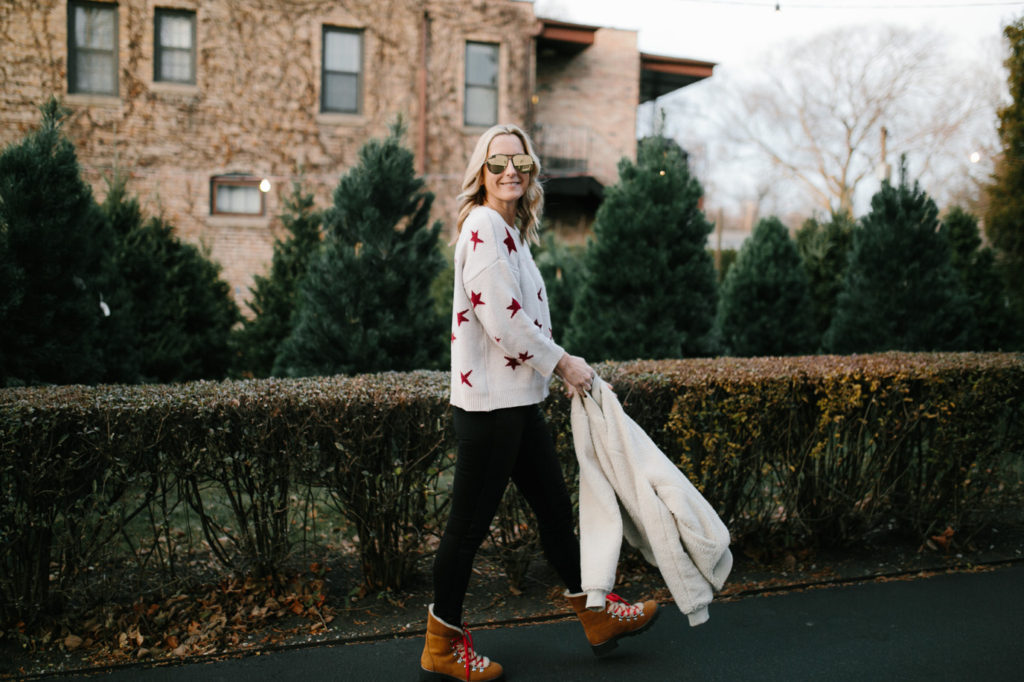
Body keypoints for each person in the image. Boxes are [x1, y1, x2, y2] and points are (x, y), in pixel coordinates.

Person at [420, 124, 659, 682]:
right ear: (481, 170)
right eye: (498, 161)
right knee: (466, 528)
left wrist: (549, 369)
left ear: (530, 175)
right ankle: (440, 643)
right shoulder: (481, 226)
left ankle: (598, 616)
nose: (511, 171)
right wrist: (564, 363)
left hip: (516, 401)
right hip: (490, 408)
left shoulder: (508, 230)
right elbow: (503, 320)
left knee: (554, 512)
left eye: (521, 164)